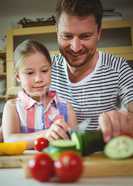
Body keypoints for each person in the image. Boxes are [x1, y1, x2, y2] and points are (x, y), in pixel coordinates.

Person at [50, 0, 133, 142]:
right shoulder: (46, 69)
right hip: (59, 158)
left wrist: (127, 121)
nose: (75, 48)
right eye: (67, 36)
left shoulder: (119, 69)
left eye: (85, 36)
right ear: (57, 32)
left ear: (99, 33)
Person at [2, 39, 77, 148]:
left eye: (44, 71)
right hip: (23, 164)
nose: (38, 79)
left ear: (51, 70)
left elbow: (76, 140)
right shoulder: (12, 107)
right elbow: (9, 140)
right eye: (30, 73)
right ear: (18, 76)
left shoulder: (66, 107)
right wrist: (45, 135)